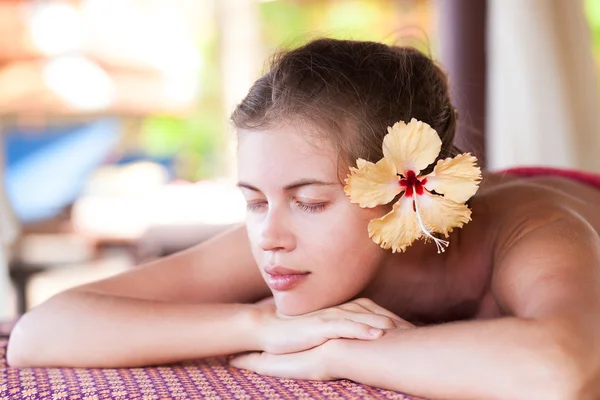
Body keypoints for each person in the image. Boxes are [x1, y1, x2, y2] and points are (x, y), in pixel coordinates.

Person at [6, 38, 600, 400]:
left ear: (401, 191)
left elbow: (565, 372)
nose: (269, 236)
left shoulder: (537, 232)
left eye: (311, 201)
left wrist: (341, 353)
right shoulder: (287, 238)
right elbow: (40, 335)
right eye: (254, 200)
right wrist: (259, 328)